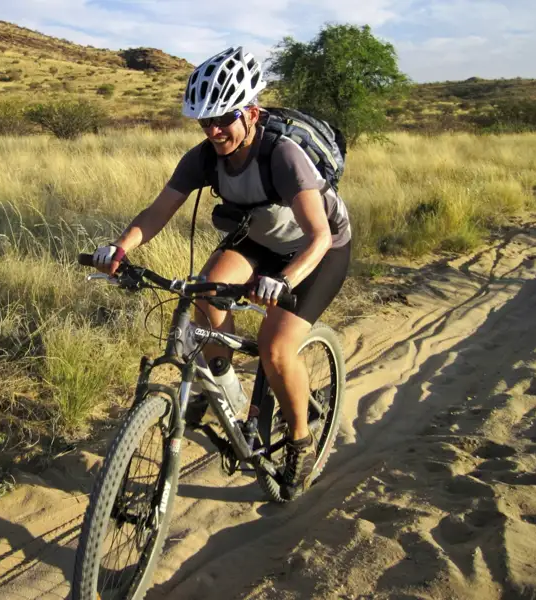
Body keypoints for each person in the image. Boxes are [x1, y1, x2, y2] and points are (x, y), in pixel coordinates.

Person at [92, 46, 351, 499]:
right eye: (204, 122)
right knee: (204, 294)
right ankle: (229, 395)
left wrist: (285, 280)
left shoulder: (283, 155)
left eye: (223, 118)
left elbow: (319, 236)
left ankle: (298, 441)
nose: (213, 130)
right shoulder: (204, 156)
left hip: (317, 251)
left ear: (251, 112)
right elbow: (157, 212)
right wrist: (120, 247)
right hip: (260, 239)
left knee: (275, 348)